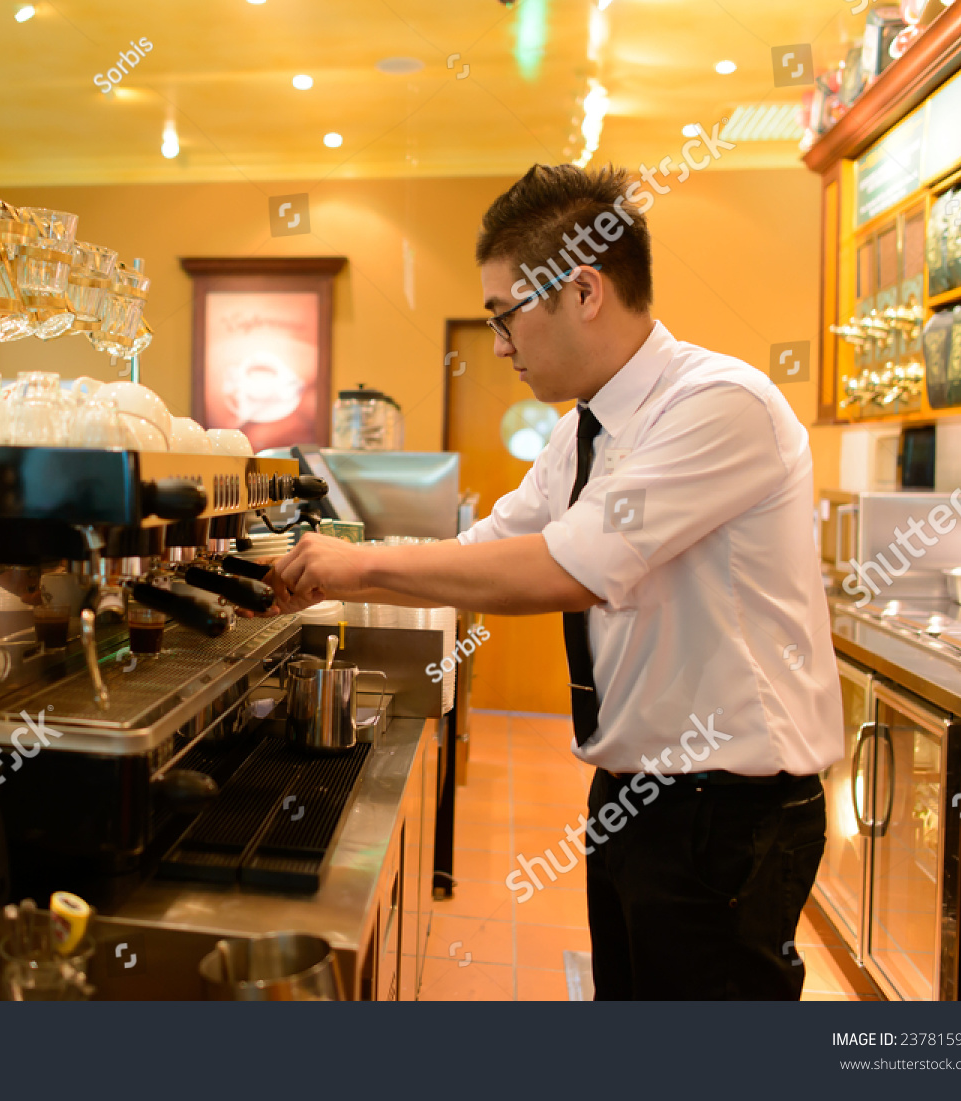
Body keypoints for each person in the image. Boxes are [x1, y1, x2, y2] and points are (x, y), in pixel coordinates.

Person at [265, 163, 844, 1000]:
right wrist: (320, 578)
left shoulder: (720, 403)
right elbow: (490, 546)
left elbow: (567, 566)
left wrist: (354, 562)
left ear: (583, 291)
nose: (500, 347)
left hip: (725, 815)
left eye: (505, 318)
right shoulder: (586, 430)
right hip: (635, 795)